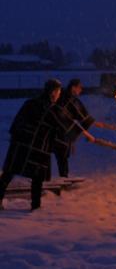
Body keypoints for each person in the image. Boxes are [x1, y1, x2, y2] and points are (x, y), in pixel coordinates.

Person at [0, 79, 71, 211]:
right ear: (53, 92)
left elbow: (16, 124)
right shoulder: (49, 109)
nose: (59, 95)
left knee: (9, 174)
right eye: (58, 92)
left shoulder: (31, 103)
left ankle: (33, 206)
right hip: (35, 148)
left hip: (21, 145)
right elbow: (61, 128)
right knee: (36, 178)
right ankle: (36, 207)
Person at [53, 78, 97, 177]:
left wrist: (92, 122)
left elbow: (80, 113)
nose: (81, 90)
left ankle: (64, 176)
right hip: (59, 131)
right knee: (61, 154)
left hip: (63, 131)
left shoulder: (70, 98)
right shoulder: (66, 98)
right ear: (73, 87)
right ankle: (63, 177)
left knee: (62, 155)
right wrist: (85, 129)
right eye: (79, 87)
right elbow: (68, 115)